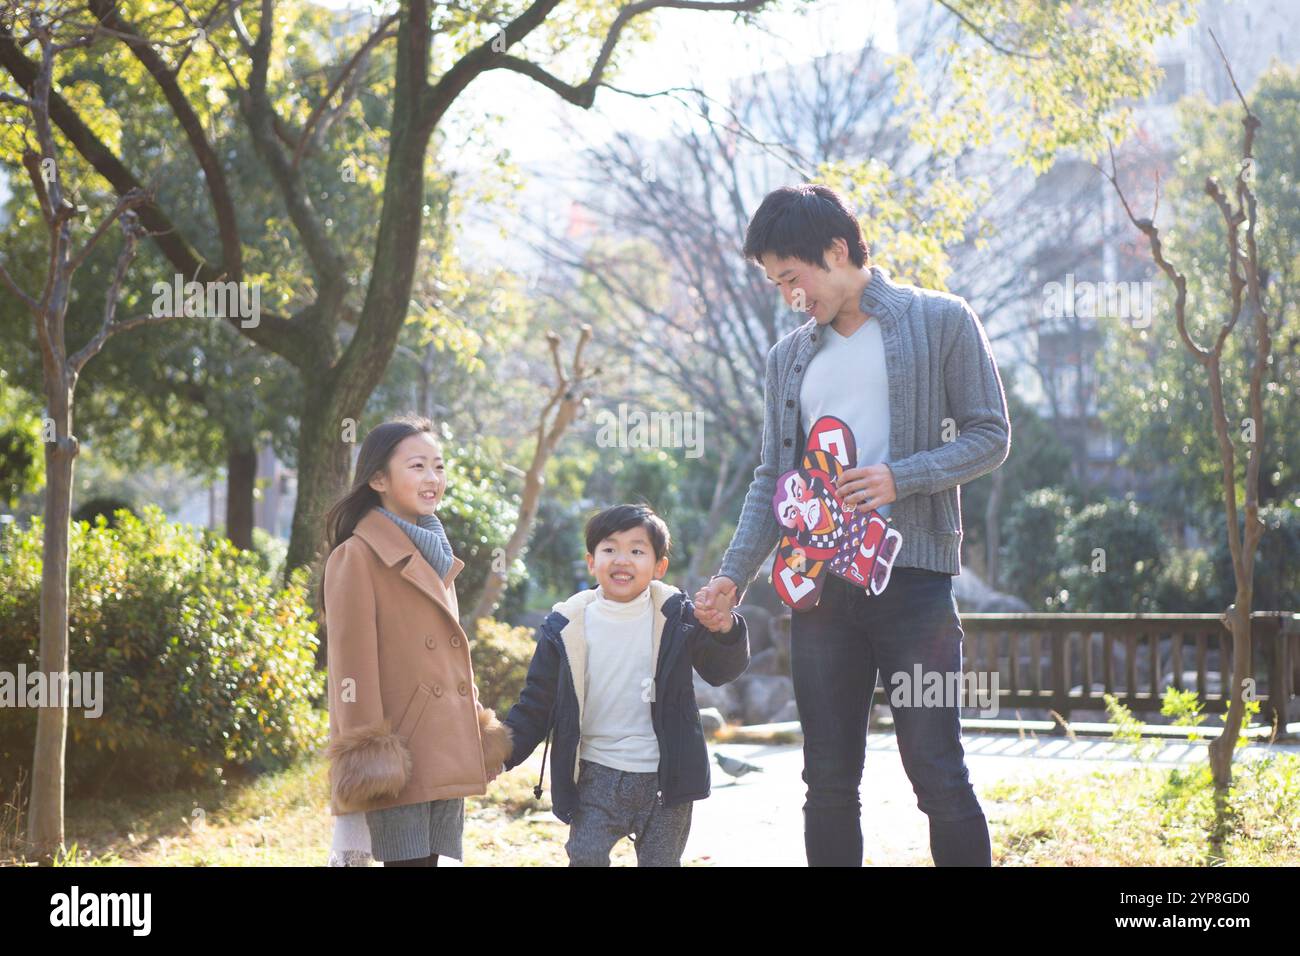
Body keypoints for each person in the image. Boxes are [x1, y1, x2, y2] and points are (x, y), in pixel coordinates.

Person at [694, 183, 1011, 867]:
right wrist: (730, 576)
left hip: (916, 585)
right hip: (818, 593)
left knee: (938, 774)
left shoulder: (941, 320)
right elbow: (771, 483)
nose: (789, 296)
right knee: (827, 782)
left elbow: (991, 435)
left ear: (838, 250)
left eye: (793, 277)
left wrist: (904, 475)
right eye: (777, 283)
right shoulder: (788, 359)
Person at [498, 504, 749, 866]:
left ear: (659, 566)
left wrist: (725, 629)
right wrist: (500, 754)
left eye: (637, 550)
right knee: (584, 856)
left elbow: (720, 670)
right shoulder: (566, 626)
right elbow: (537, 702)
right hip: (596, 773)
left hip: (667, 776)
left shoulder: (677, 616)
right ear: (591, 561)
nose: (622, 559)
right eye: (610, 548)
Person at [318, 414, 512, 867]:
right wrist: (369, 755)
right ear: (379, 479)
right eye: (418, 466)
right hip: (399, 755)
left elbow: (452, 658)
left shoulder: (436, 551)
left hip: (443, 745)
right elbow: (351, 669)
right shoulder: (356, 556)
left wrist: (476, 734)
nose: (433, 478)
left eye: (439, 466)